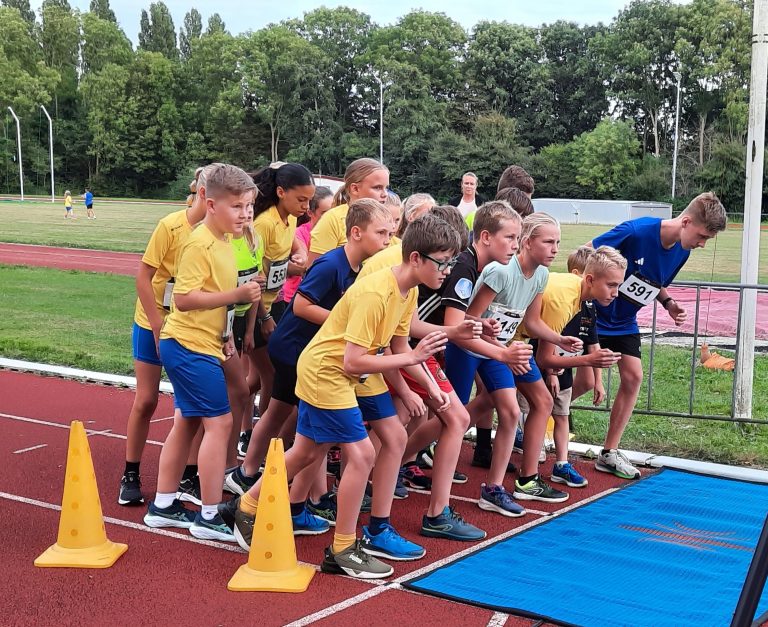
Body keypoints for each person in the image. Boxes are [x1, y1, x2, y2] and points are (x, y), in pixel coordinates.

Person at [232, 214, 460, 579]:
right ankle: (342, 547)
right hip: (328, 373)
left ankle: (246, 504)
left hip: (337, 372)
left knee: (306, 450)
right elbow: (354, 359)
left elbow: (397, 345)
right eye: (442, 261)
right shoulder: (375, 292)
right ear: (415, 258)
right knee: (363, 453)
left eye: (451, 262)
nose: (448, 270)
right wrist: (413, 359)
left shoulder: (409, 290)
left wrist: (430, 385)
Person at [223, 199, 394, 535]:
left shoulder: (363, 267)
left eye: (392, 233)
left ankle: (287, 496)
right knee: (283, 418)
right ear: (356, 233)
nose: (389, 240)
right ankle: (248, 476)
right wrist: (346, 325)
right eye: (383, 233)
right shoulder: (332, 264)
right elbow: (301, 306)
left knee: (304, 434)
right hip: (295, 349)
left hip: (315, 351)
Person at [143, 164, 261, 541]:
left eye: (248, 207)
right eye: (237, 207)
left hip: (205, 343)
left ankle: (163, 505)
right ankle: (209, 514)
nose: (245, 214)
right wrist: (238, 296)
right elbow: (184, 298)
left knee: (188, 423)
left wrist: (225, 333)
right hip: (187, 346)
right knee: (220, 424)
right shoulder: (200, 242)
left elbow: (213, 302)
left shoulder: (227, 241)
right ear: (210, 205)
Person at [585, 192, 727, 479]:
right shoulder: (637, 231)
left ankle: (609, 452)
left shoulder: (682, 252)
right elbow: (585, 253)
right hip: (595, 315)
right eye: (701, 236)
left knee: (634, 376)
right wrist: (590, 295)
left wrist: (668, 303)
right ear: (686, 222)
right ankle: (537, 416)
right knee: (583, 382)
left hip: (625, 322)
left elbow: (652, 281)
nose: (701, 244)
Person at [466, 213, 582, 506]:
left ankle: (527, 480)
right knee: (457, 415)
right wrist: (502, 351)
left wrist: (558, 339)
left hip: (511, 347)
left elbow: (532, 322)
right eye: (548, 242)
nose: (555, 249)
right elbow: (470, 320)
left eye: (558, 242)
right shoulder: (501, 271)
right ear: (527, 243)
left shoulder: (541, 274)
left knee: (539, 402)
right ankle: (412, 456)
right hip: (477, 346)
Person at [118, 167, 210, 506]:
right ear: (205, 195)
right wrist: (157, 325)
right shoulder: (170, 227)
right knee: (147, 400)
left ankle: (188, 474)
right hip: (153, 321)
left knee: (196, 405)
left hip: (192, 328)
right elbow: (143, 279)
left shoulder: (221, 234)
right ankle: (130, 472)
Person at [527, 246, 626, 488]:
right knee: (519, 409)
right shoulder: (563, 300)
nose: (616, 293)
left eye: (618, 286)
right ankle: (525, 478)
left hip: (513, 342)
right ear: (589, 279)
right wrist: (588, 361)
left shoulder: (579, 294)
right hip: (506, 342)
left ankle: (531, 475)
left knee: (530, 407)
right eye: (611, 285)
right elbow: (543, 359)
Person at [245, 163, 314, 420]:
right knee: (271, 375)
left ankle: (247, 426)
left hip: (276, 301)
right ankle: (258, 438)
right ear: (282, 192)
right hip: (255, 307)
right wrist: (263, 317)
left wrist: (300, 254)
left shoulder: (290, 217)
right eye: (301, 200)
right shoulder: (264, 224)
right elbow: (253, 276)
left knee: (264, 376)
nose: (306, 206)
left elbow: (296, 244)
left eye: (309, 200)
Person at [307, 157, 389, 265]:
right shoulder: (332, 219)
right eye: (377, 188)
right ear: (355, 189)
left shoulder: (388, 218)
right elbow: (314, 269)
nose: (385, 194)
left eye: (386, 188)